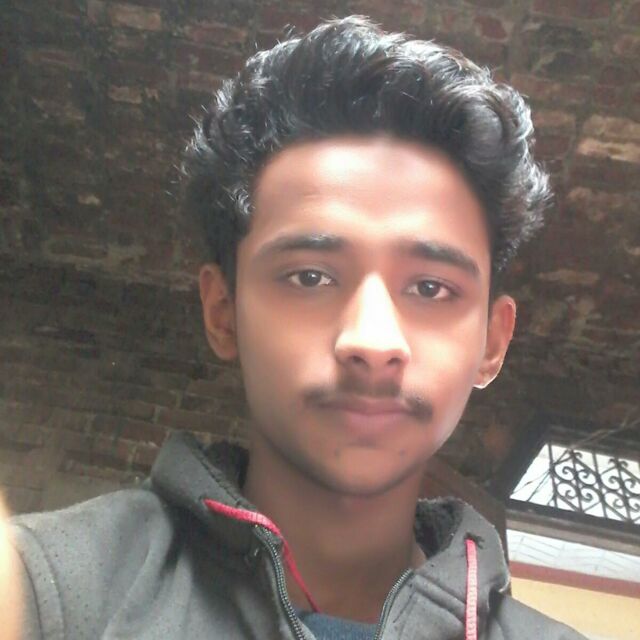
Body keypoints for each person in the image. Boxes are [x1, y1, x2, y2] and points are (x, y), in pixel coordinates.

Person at [9, 16, 586, 640]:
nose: (373, 341)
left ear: (492, 343)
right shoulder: (48, 590)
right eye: (310, 277)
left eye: (430, 288)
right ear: (223, 311)